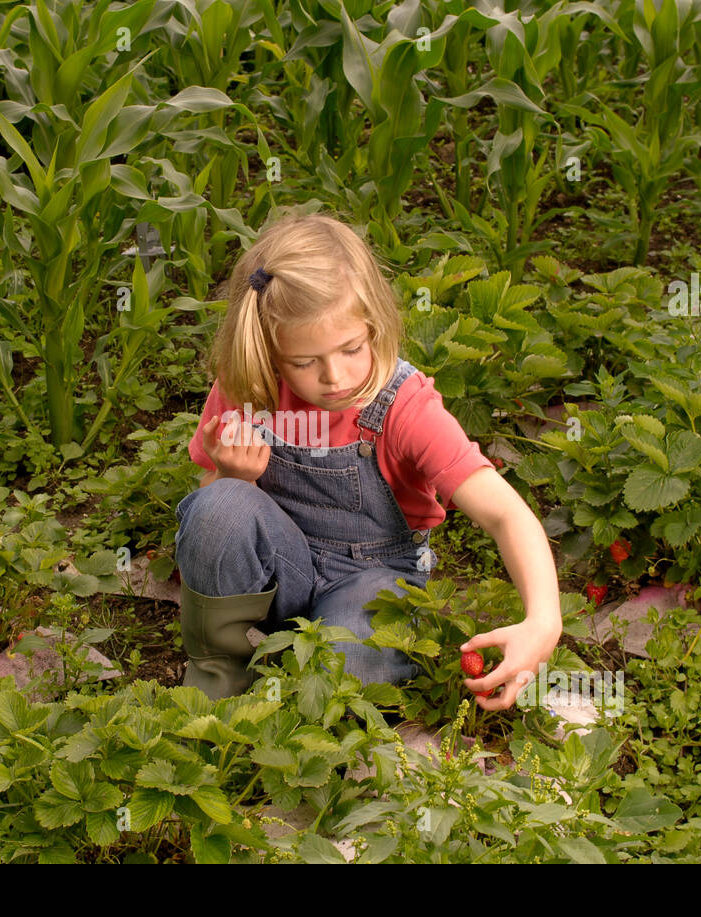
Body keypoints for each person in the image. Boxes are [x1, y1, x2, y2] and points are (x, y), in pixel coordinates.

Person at [173, 212, 562, 708]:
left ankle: (308, 683)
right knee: (221, 504)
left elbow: (505, 513)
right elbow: (211, 520)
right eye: (303, 362)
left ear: (374, 324)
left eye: (352, 348)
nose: (335, 376)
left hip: (374, 578)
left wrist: (543, 621)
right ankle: (220, 672)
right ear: (268, 349)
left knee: (345, 665)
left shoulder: (403, 405)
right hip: (281, 569)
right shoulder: (248, 386)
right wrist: (232, 477)